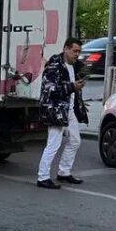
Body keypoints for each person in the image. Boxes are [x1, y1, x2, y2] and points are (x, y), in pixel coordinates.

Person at [37, 37, 88, 189]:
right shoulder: (54, 65)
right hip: (56, 109)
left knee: (75, 141)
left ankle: (64, 172)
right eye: (74, 51)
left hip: (69, 109)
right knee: (53, 144)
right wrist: (72, 87)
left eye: (79, 51)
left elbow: (75, 86)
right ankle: (43, 176)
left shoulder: (74, 66)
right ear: (66, 49)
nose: (77, 54)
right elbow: (50, 89)